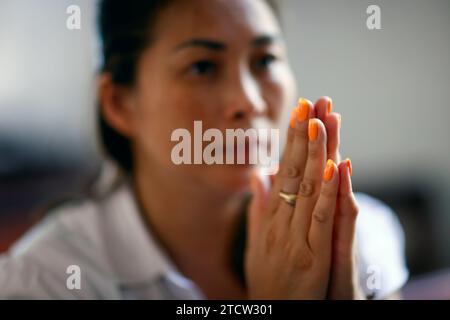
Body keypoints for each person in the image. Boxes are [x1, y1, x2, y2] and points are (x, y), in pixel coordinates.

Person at [0, 0, 408, 299]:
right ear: (120, 103)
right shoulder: (48, 280)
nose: (248, 100)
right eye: (202, 67)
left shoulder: (356, 238)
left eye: (265, 60)